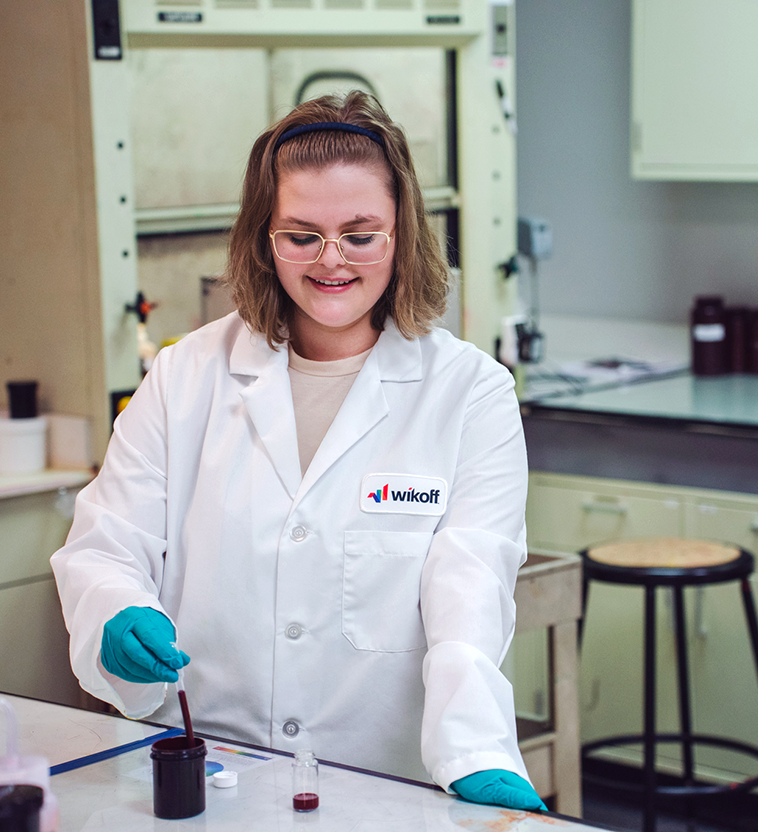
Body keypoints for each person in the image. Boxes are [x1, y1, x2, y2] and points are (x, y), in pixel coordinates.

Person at [50, 91, 545, 812]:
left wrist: (475, 750)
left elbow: (469, 590)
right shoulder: (185, 374)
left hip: (381, 789)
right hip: (210, 781)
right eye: (301, 235)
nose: (331, 261)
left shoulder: (470, 393)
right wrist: (116, 610)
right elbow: (104, 547)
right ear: (263, 239)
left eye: (360, 234)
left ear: (402, 235)